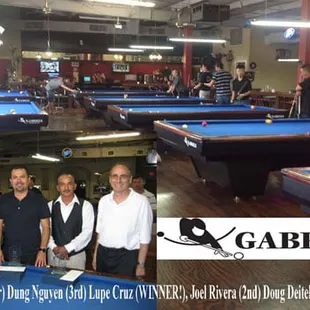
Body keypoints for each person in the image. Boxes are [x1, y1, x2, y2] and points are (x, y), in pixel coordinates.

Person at [93, 163, 153, 277]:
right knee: (103, 290)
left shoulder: (142, 202)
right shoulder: (104, 201)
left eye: (123, 176)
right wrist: (96, 254)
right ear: (110, 179)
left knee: (123, 293)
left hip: (127, 257)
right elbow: (100, 232)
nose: (118, 180)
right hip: (103, 255)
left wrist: (141, 265)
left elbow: (145, 238)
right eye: (115, 176)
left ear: (129, 179)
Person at [0, 165, 50, 266]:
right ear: (11, 181)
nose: (19, 180)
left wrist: (42, 250)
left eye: (22, 177)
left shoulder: (39, 200)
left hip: (34, 255)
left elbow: (46, 227)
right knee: (10, 281)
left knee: (33, 281)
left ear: (28, 180)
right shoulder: (3, 200)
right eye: (15, 177)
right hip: (9, 254)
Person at [47, 171, 94, 270]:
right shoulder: (50, 205)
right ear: (58, 187)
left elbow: (87, 233)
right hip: (53, 254)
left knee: (76, 284)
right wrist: (54, 247)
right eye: (62, 184)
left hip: (76, 256)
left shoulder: (86, 206)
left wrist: (67, 248)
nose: (66, 187)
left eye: (69, 184)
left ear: (75, 186)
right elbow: (45, 230)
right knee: (54, 284)